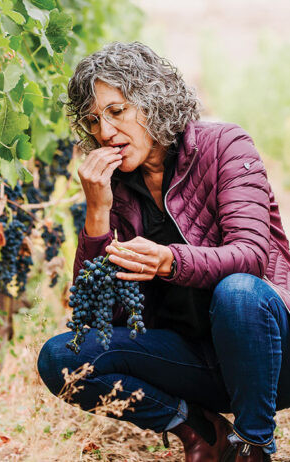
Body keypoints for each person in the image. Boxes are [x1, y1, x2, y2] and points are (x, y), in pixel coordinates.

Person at [37, 41, 290, 462]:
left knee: (240, 292)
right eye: (93, 120)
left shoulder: (224, 145)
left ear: (153, 99)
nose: (104, 132)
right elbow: (95, 322)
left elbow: (252, 255)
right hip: (192, 361)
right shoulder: (115, 188)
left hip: (271, 358)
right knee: (62, 357)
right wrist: (97, 215)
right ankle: (200, 430)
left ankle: (254, 445)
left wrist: (170, 261)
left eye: (117, 112)